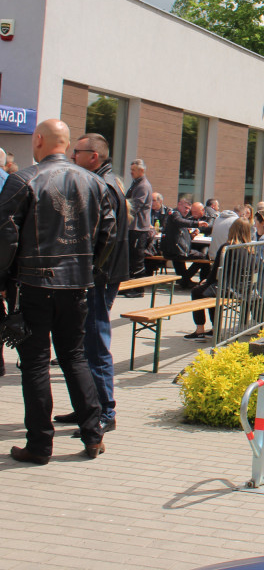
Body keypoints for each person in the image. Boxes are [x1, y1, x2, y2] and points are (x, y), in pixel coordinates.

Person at [0, 119, 115, 463]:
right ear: (65, 144)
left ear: (38, 140)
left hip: (34, 283)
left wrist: (5, 281)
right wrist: (89, 270)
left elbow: (6, 236)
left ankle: (39, 445)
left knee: (35, 364)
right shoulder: (95, 183)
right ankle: (93, 436)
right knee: (74, 357)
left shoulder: (24, 179)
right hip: (76, 284)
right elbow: (108, 233)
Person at [65, 133, 129, 436]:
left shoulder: (102, 184)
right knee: (86, 342)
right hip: (104, 275)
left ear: (93, 156)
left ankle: (104, 411)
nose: (71, 156)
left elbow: (105, 236)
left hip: (98, 278)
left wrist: (90, 272)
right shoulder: (110, 180)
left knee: (94, 342)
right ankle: (88, 406)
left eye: (75, 151)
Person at [185, 218, 254, 340]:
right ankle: (214, 328)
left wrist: (206, 281)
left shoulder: (227, 247)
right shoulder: (251, 249)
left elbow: (215, 270)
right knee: (209, 292)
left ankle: (200, 329)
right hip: (243, 290)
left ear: (232, 230)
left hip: (227, 289)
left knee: (197, 292)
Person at [161, 196, 210, 288]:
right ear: (179, 204)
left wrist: (192, 235)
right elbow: (179, 221)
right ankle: (185, 279)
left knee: (181, 258)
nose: (187, 211)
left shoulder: (181, 216)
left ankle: (184, 280)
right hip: (175, 249)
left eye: (189, 209)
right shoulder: (174, 213)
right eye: (185, 208)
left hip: (177, 249)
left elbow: (180, 234)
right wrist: (197, 224)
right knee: (203, 257)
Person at [124, 158, 152, 281]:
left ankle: (137, 289)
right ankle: (130, 285)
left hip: (138, 227)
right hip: (133, 226)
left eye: (133, 170)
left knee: (136, 259)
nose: (131, 172)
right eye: (131, 170)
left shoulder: (143, 185)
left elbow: (135, 205)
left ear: (141, 170)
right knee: (131, 258)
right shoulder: (136, 183)